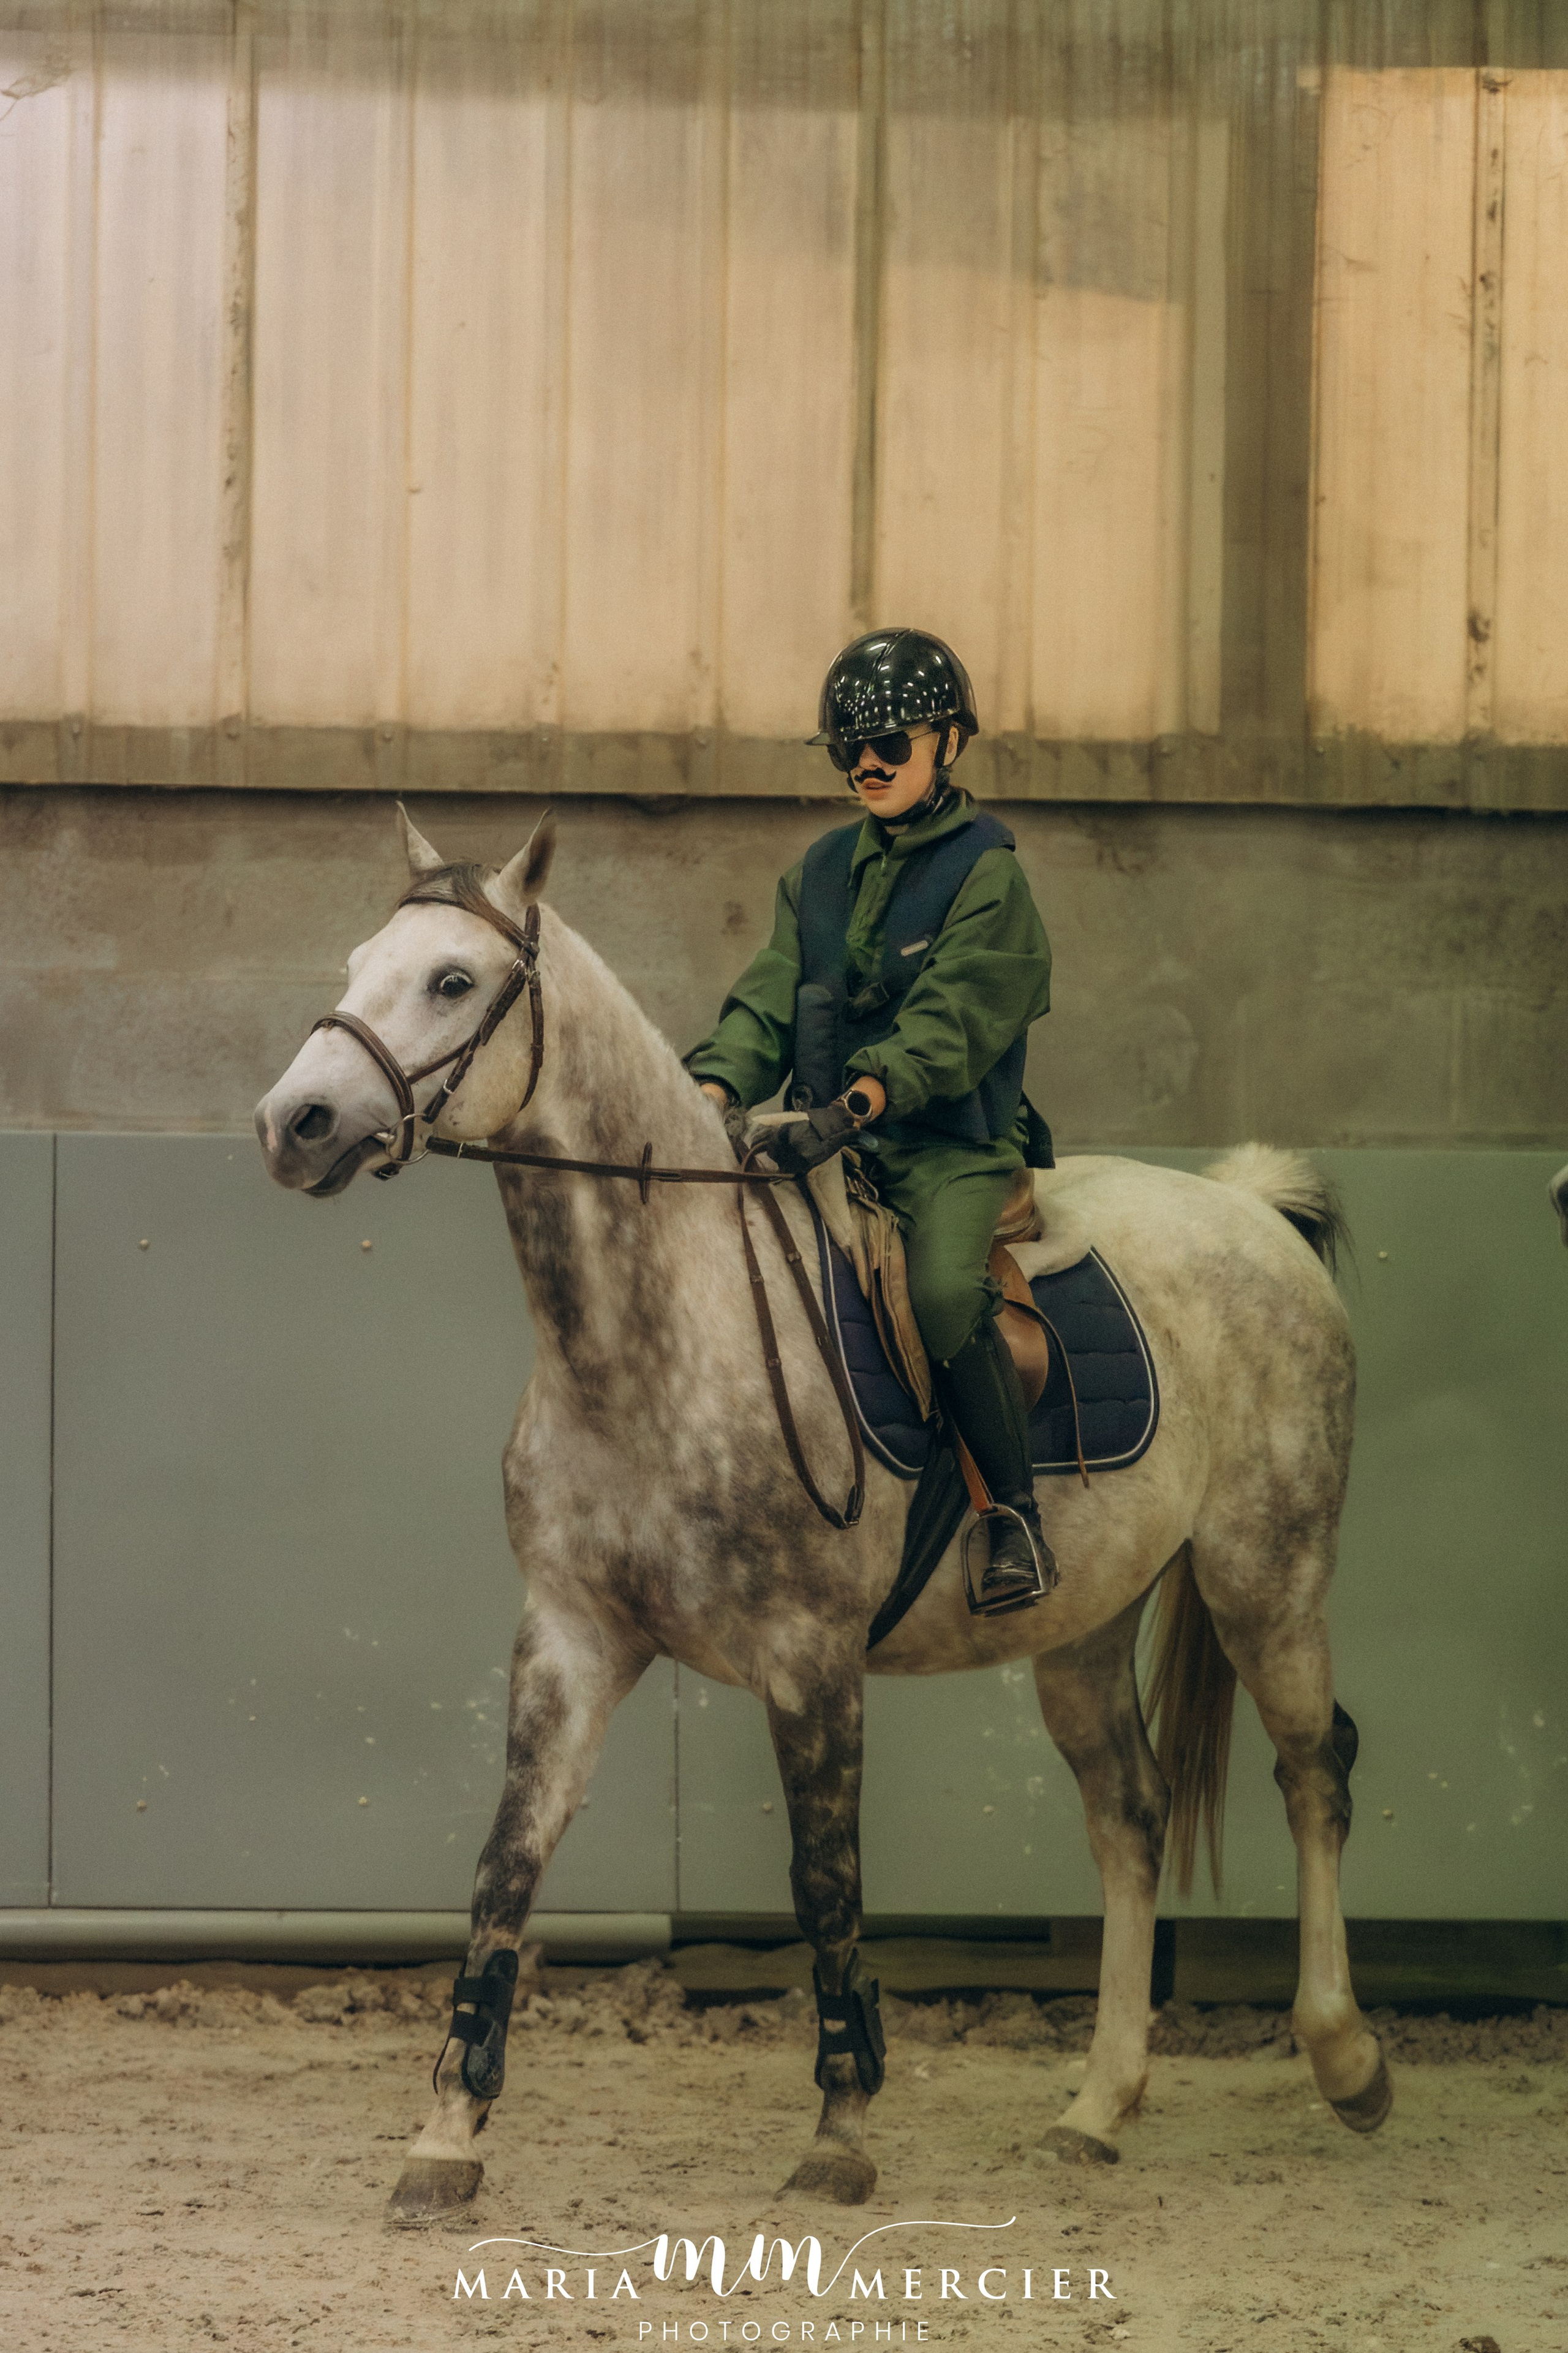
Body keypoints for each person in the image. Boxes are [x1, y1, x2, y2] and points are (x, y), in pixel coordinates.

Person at [685, 628, 1055, 1612]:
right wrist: (714, 1089)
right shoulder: (816, 874)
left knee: (940, 1295)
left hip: (948, 1152)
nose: (870, 763)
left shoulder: (990, 875)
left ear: (949, 742)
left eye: (893, 740)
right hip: (827, 1142)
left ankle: (1012, 1512)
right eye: (852, 747)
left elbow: (950, 1023)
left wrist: (852, 1105)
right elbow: (769, 998)